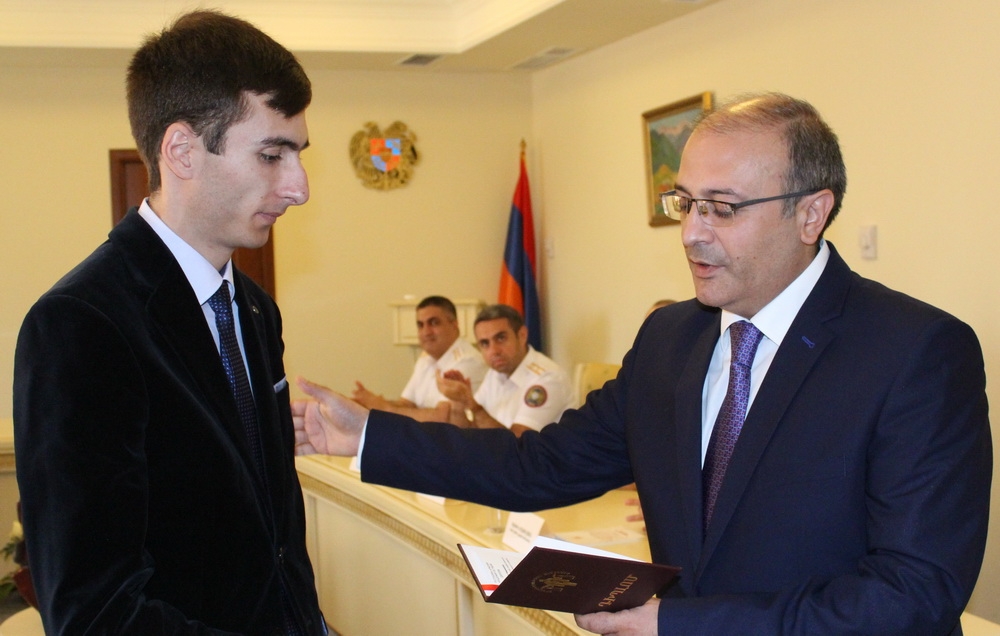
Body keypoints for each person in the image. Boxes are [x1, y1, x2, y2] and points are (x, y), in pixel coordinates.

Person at [291, 92, 991, 635]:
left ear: (811, 214)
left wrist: (678, 625)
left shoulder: (915, 351)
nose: (691, 233)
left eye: (722, 208)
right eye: (685, 203)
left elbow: (914, 592)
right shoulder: (670, 339)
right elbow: (542, 466)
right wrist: (368, 436)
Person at [13, 10, 327, 634]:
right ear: (182, 151)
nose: (299, 187)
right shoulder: (80, 325)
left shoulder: (255, 309)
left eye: (297, 155)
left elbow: (275, 537)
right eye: (271, 155)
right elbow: (95, 611)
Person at [436, 303, 573, 437]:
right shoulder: (495, 373)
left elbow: (518, 444)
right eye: (485, 343)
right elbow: (471, 431)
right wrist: (459, 401)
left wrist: (473, 406)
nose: (493, 351)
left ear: (522, 335)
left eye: (501, 338)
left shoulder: (547, 379)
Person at [351, 296, 487, 422]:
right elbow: (406, 404)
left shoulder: (468, 361)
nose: (426, 332)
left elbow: (443, 417)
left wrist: (385, 408)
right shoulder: (425, 359)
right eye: (420, 325)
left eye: (434, 323)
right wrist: (370, 403)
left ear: (454, 324)